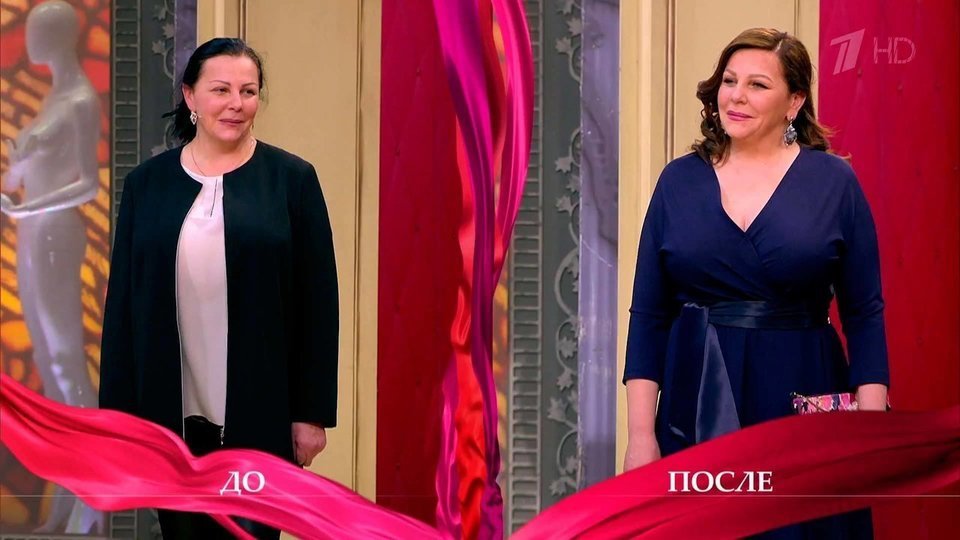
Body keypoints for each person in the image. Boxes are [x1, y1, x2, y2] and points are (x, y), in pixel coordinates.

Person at [622, 28, 889, 538]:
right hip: (695, 401)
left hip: (802, 393)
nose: (737, 96)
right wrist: (640, 438)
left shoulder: (834, 183)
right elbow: (649, 316)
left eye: (757, 85)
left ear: (794, 102)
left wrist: (870, 436)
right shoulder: (678, 181)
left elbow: (864, 314)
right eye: (729, 81)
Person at [98, 37, 339, 540]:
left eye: (248, 91)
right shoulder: (147, 185)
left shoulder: (292, 180)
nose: (236, 104)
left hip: (261, 411)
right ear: (190, 95)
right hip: (170, 416)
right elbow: (122, 309)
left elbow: (318, 305)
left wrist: (311, 414)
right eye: (221, 89)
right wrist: (117, 422)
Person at [0, 1, 104, 534]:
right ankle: (67, 498)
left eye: (39, 30)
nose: (31, 38)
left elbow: (87, 184)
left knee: (66, 363)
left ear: (60, 36)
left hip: (56, 235)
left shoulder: (81, 99)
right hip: (31, 234)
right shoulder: (52, 98)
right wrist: (20, 161)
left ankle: (93, 499)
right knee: (49, 363)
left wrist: (27, 208)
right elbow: (19, 179)